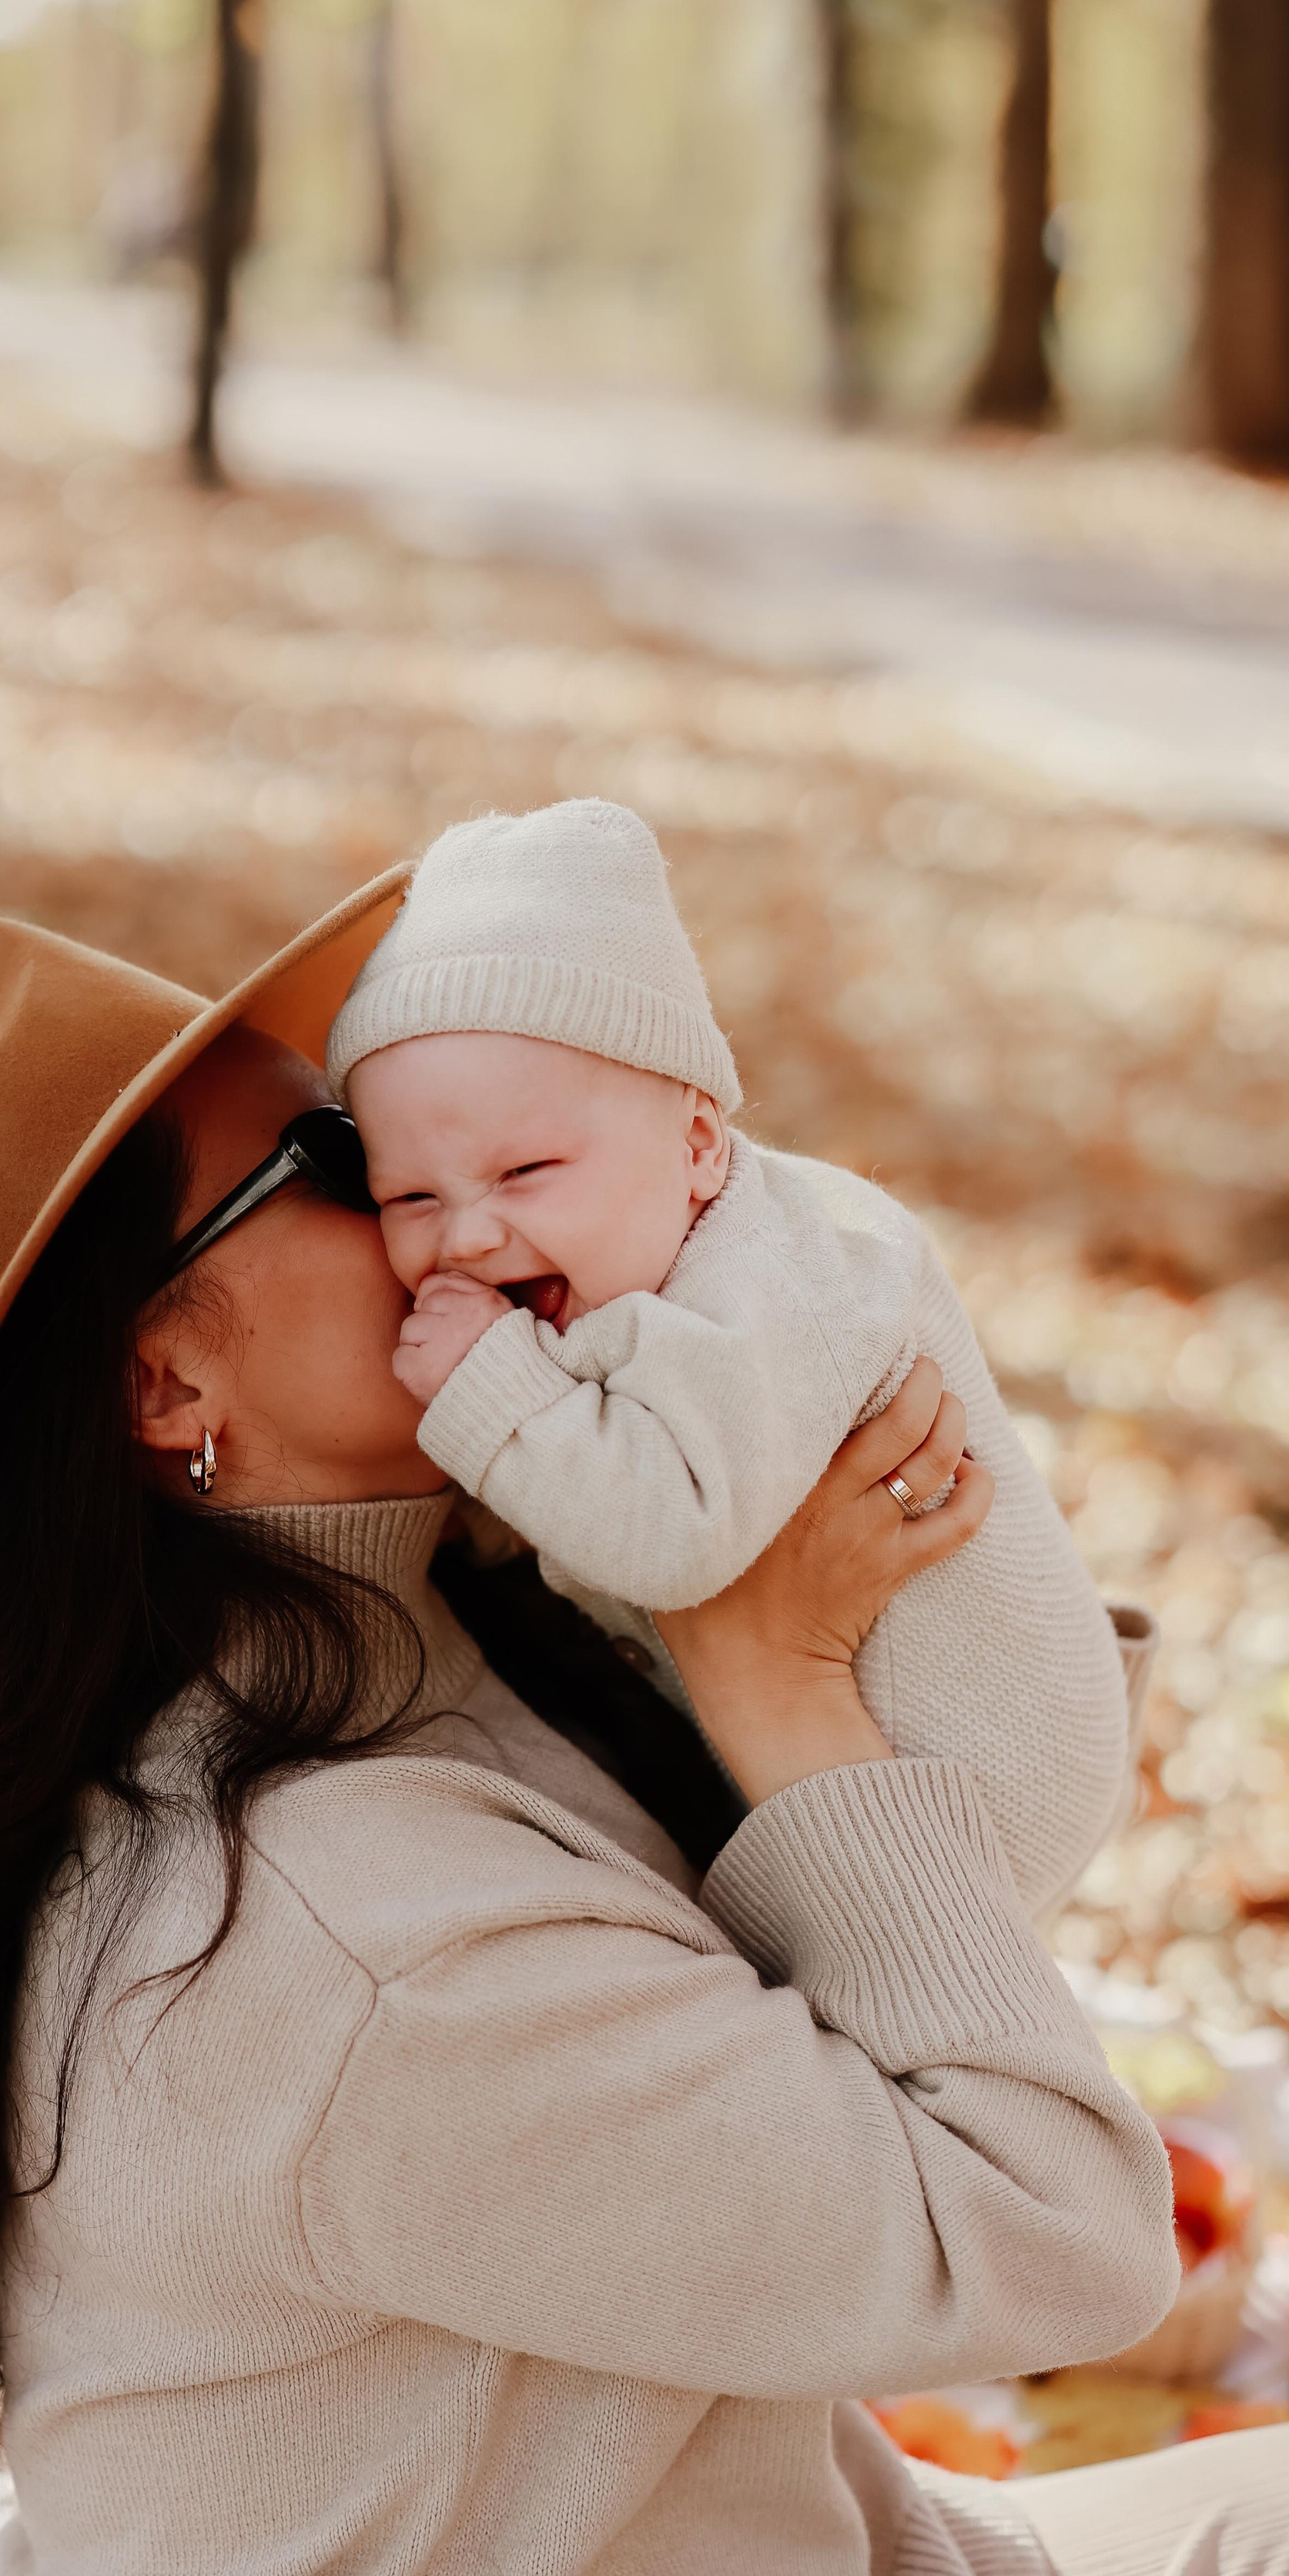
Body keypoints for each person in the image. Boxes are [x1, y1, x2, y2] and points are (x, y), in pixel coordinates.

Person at [0, 882, 1289, 2576]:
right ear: (165, 1378)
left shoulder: (434, 1620)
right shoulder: (344, 1932)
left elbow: (947, 1874)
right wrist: (773, 1680)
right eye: (337, 1155)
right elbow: (1049, 2237)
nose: (429, 1175)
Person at [330, 795, 1147, 1917]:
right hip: (861, 1757)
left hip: (979, 1784)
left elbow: (671, 1541)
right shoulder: (636, 1254)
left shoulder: (780, 1278)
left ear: (700, 1142)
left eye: (524, 1175)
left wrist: (490, 1394)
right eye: (410, 1196)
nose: (465, 1234)